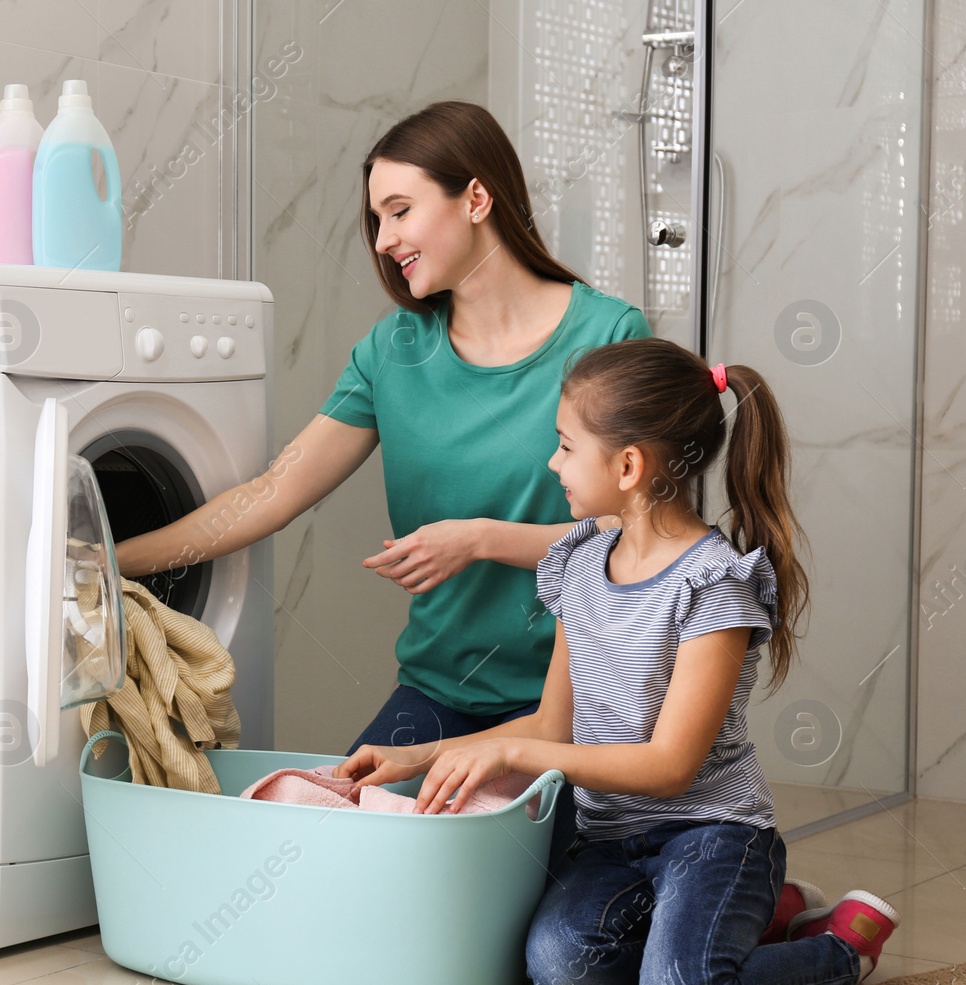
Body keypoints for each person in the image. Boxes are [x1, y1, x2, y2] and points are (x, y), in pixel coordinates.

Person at [338, 339, 899, 985]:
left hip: (710, 833)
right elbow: (551, 723)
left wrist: (512, 748)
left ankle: (840, 945)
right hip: (612, 839)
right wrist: (413, 754)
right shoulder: (579, 563)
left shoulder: (713, 582)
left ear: (629, 466)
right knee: (562, 974)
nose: (553, 463)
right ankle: (757, 914)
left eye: (566, 446)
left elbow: (670, 766)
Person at [115, 101, 651, 769]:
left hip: (578, 701)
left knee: (491, 866)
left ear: (477, 198)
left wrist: (480, 539)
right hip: (439, 692)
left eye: (399, 211)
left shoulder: (608, 337)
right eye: (376, 220)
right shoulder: (393, 352)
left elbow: (638, 533)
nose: (382, 239)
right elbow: (271, 494)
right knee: (338, 831)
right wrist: (111, 564)